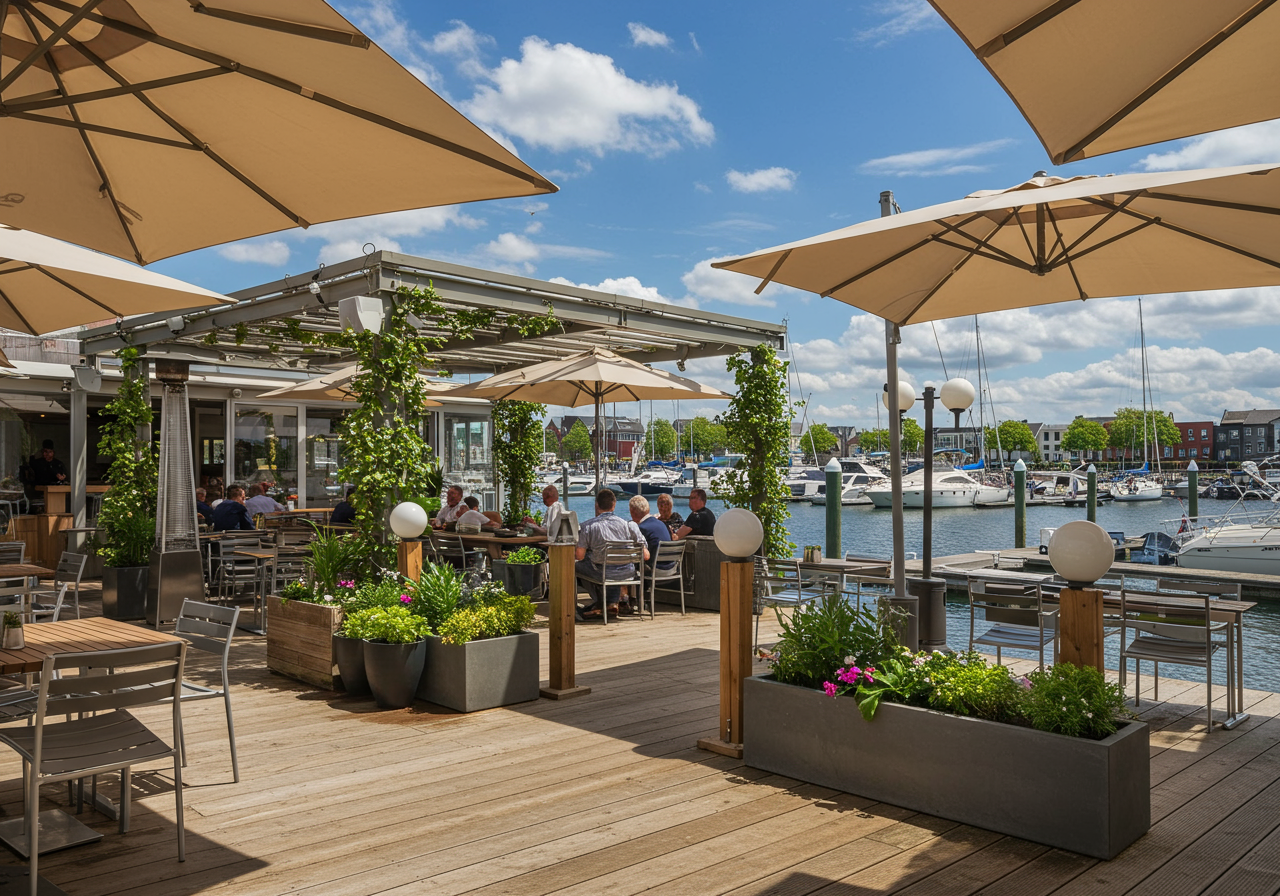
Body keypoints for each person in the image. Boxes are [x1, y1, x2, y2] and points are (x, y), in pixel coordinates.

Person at [575, 489, 648, 619]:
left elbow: (579, 555)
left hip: (603, 572)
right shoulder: (628, 525)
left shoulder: (588, 526)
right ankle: (610, 603)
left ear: (597, 505)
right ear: (614, 505)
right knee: (609, 565)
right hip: (627, 572)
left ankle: (594, 604)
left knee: (575, 566)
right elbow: (645, 553)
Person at [629, 495, 676, 573]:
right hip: (671, 568)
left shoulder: (641, 528)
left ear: (632, 512)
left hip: (656, 570)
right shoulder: (661, 524)